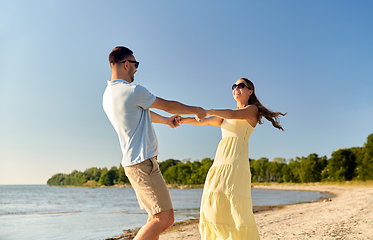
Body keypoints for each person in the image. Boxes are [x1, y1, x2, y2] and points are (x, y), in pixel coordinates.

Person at [103, 46, 206, 240]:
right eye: (135, 64)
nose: (136, 69)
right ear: (126, 64)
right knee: (165, 218)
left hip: (133, 163)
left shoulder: (109, 94)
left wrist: (167, 121)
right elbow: (168, 105)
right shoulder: (133, 90)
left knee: (154, 217)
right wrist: (195, 109)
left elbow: (142, 113)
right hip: (143, 163)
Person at [178, 77, 286, 240]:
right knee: (210, 205)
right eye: (234, 86)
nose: (236, 88)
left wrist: (209, 110)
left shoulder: (252, 110)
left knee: (232, 208)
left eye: (241, 85)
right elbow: (205, 122)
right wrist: (182, 120)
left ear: (250, 91)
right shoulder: (225, 116)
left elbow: (233, 113)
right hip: (220, 163)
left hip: (235, 164)